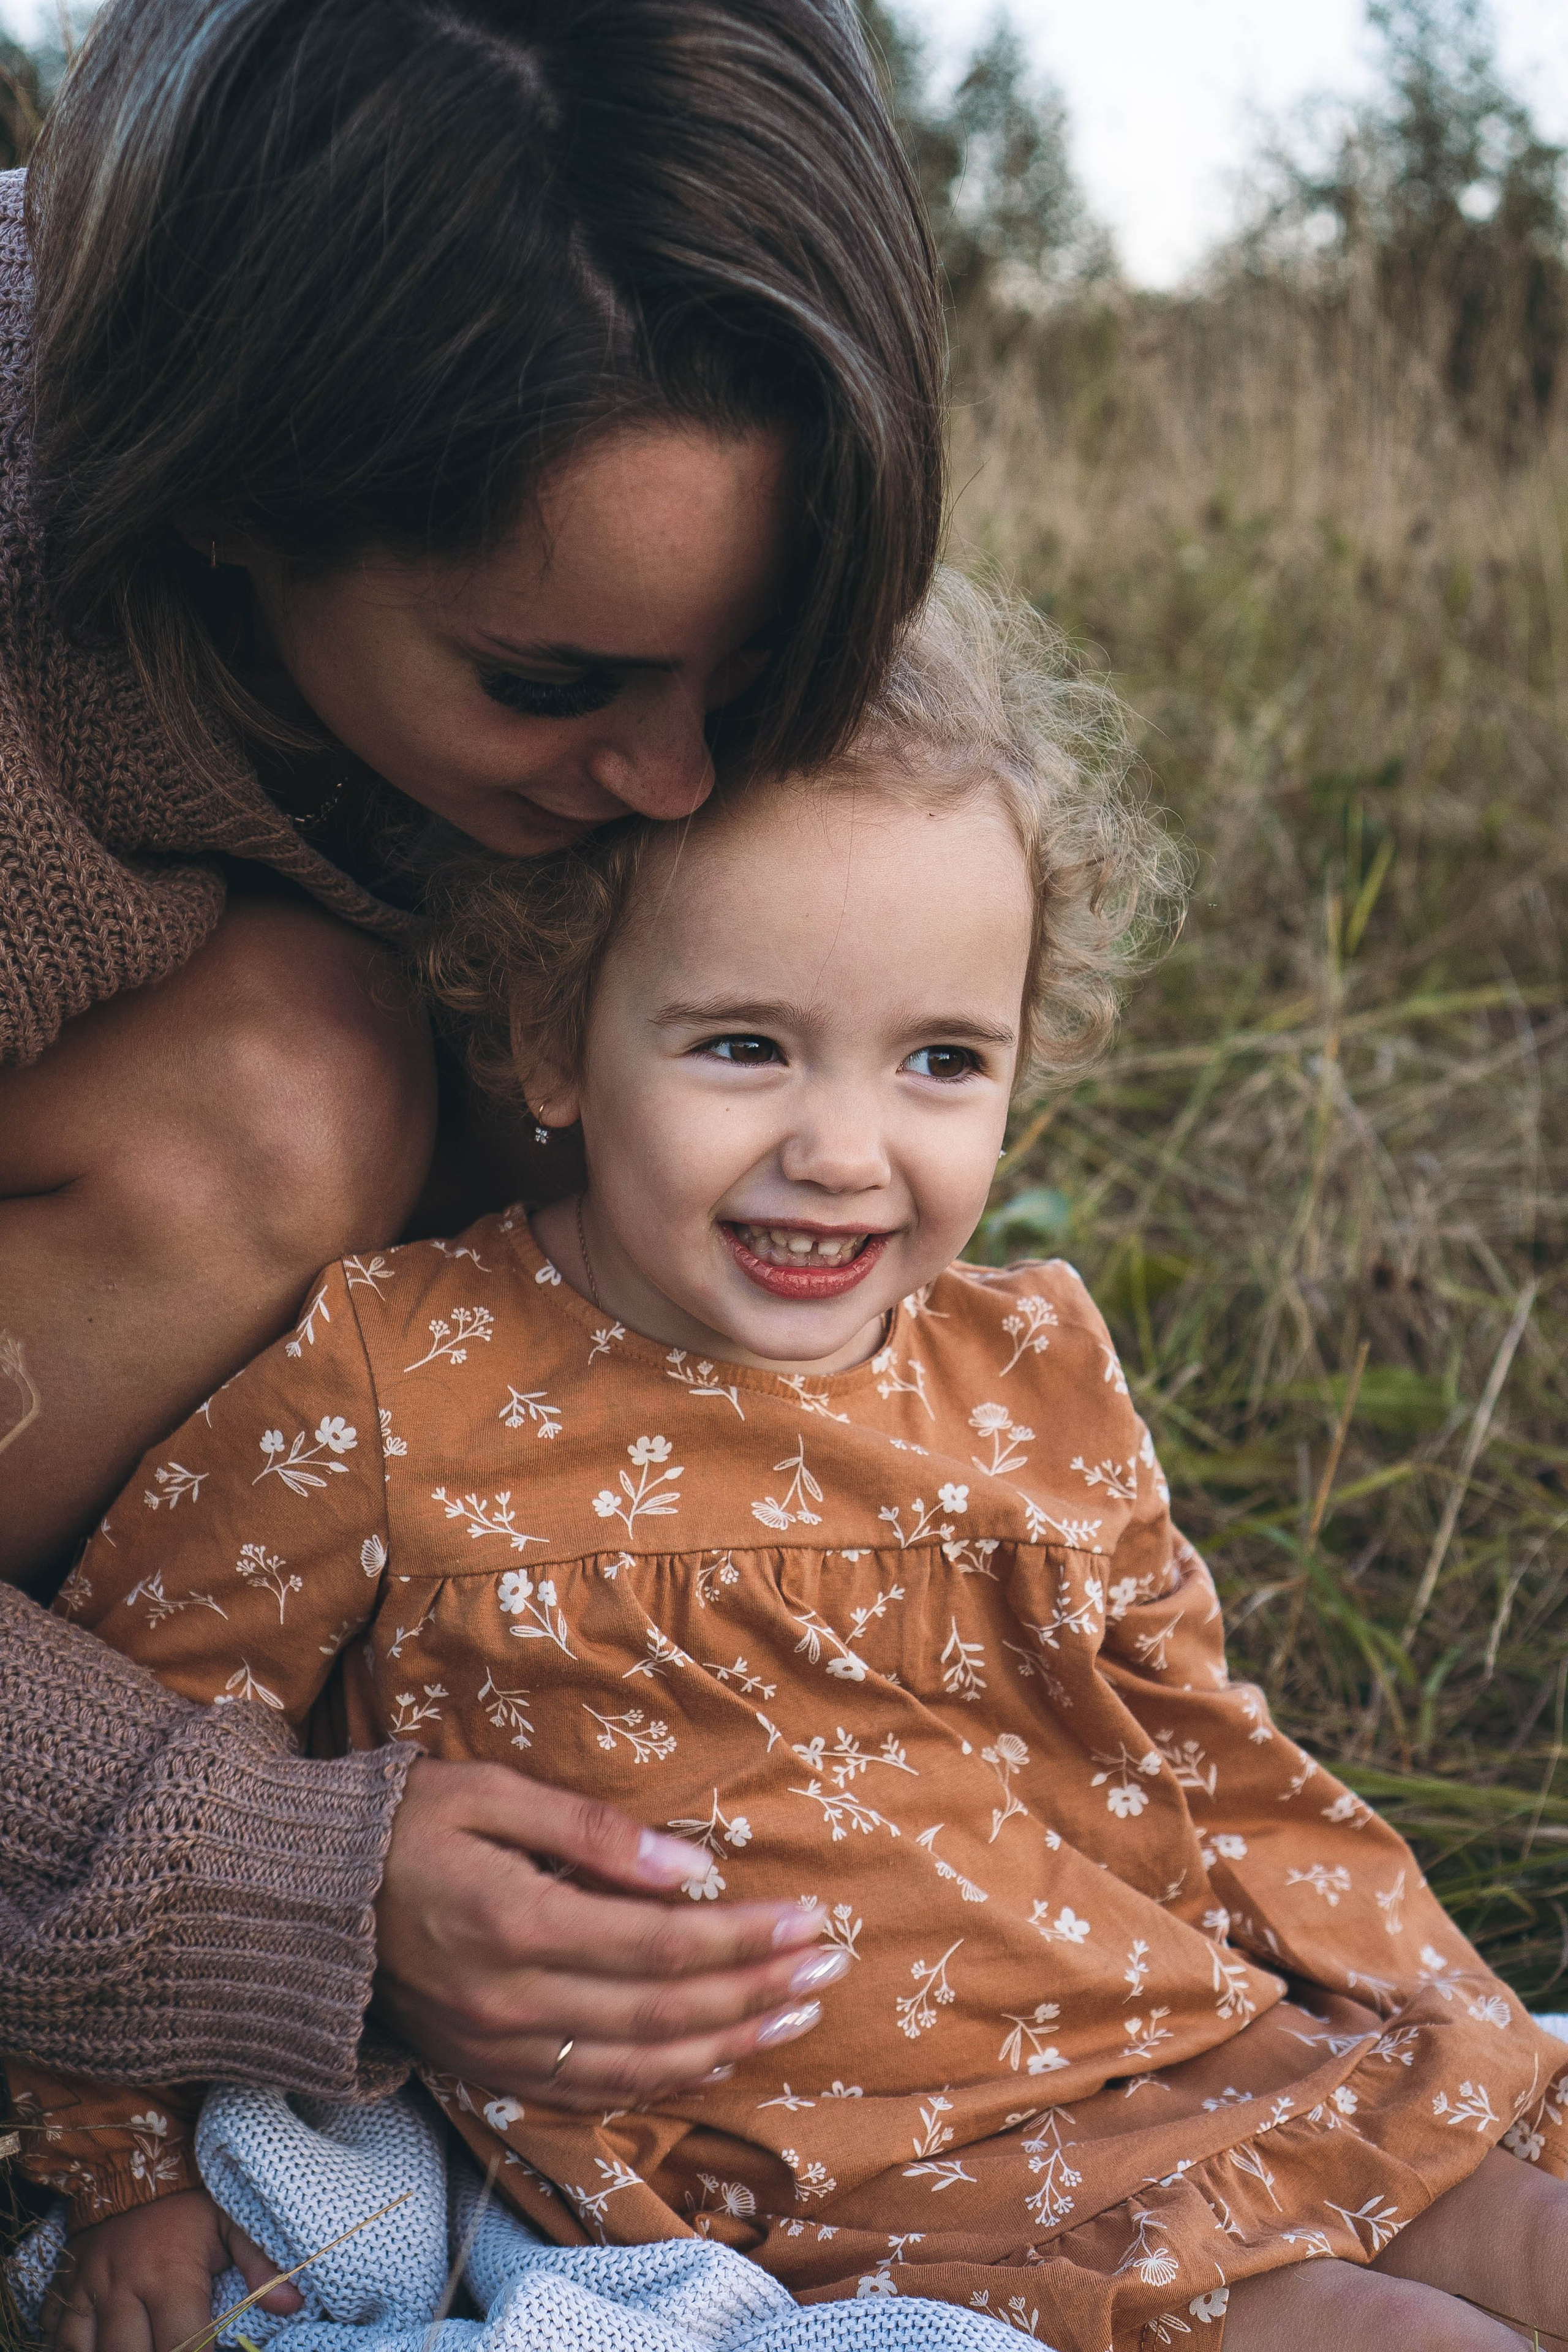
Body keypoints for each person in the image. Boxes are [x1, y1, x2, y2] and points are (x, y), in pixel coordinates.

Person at [20, 573, 1568, 2352]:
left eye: (940, 1062)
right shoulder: (396, 1372)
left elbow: (1213, 1757)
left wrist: (1465, 2029)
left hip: (1170, 2030)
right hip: (849, 2172)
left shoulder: (1031, 1365)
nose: (842, 1151)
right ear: (554, 1036)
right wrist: (125, 2164)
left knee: (1529, 2234)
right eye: (745, 1047)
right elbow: (152, 1743)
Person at [0, 0, 944, 2128]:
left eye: (767, 657)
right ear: (229, 496)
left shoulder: (641, 444)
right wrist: (246, 1876)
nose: (681, 768)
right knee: (289, 1094)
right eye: (548, 680)